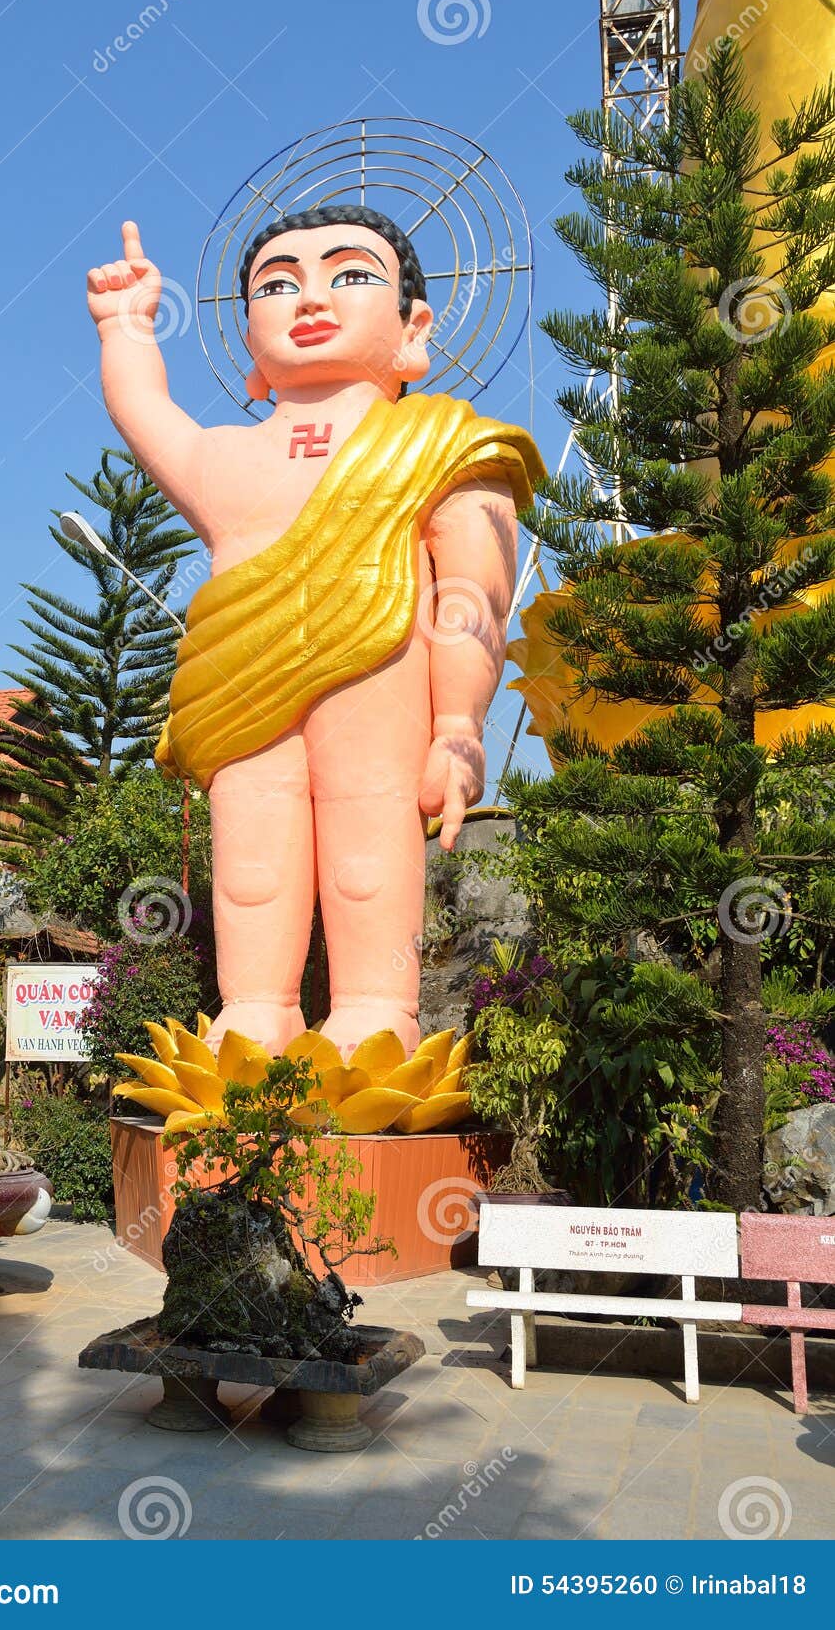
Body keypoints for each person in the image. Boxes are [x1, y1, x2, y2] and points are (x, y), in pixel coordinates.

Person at [86, 204, 544, 1059]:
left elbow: (471, 597)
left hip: (380, 678)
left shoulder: (443, 444)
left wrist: (458, 726)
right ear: (249, 342)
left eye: (351, 275)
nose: (310, 298)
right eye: (277, 285)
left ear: (414, 328)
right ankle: (255, 1010)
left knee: (369, 848)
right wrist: (126, 330)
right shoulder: (227, 458)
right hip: (241, 686)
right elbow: (146, 413)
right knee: (251, 861)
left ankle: (376, 1010)